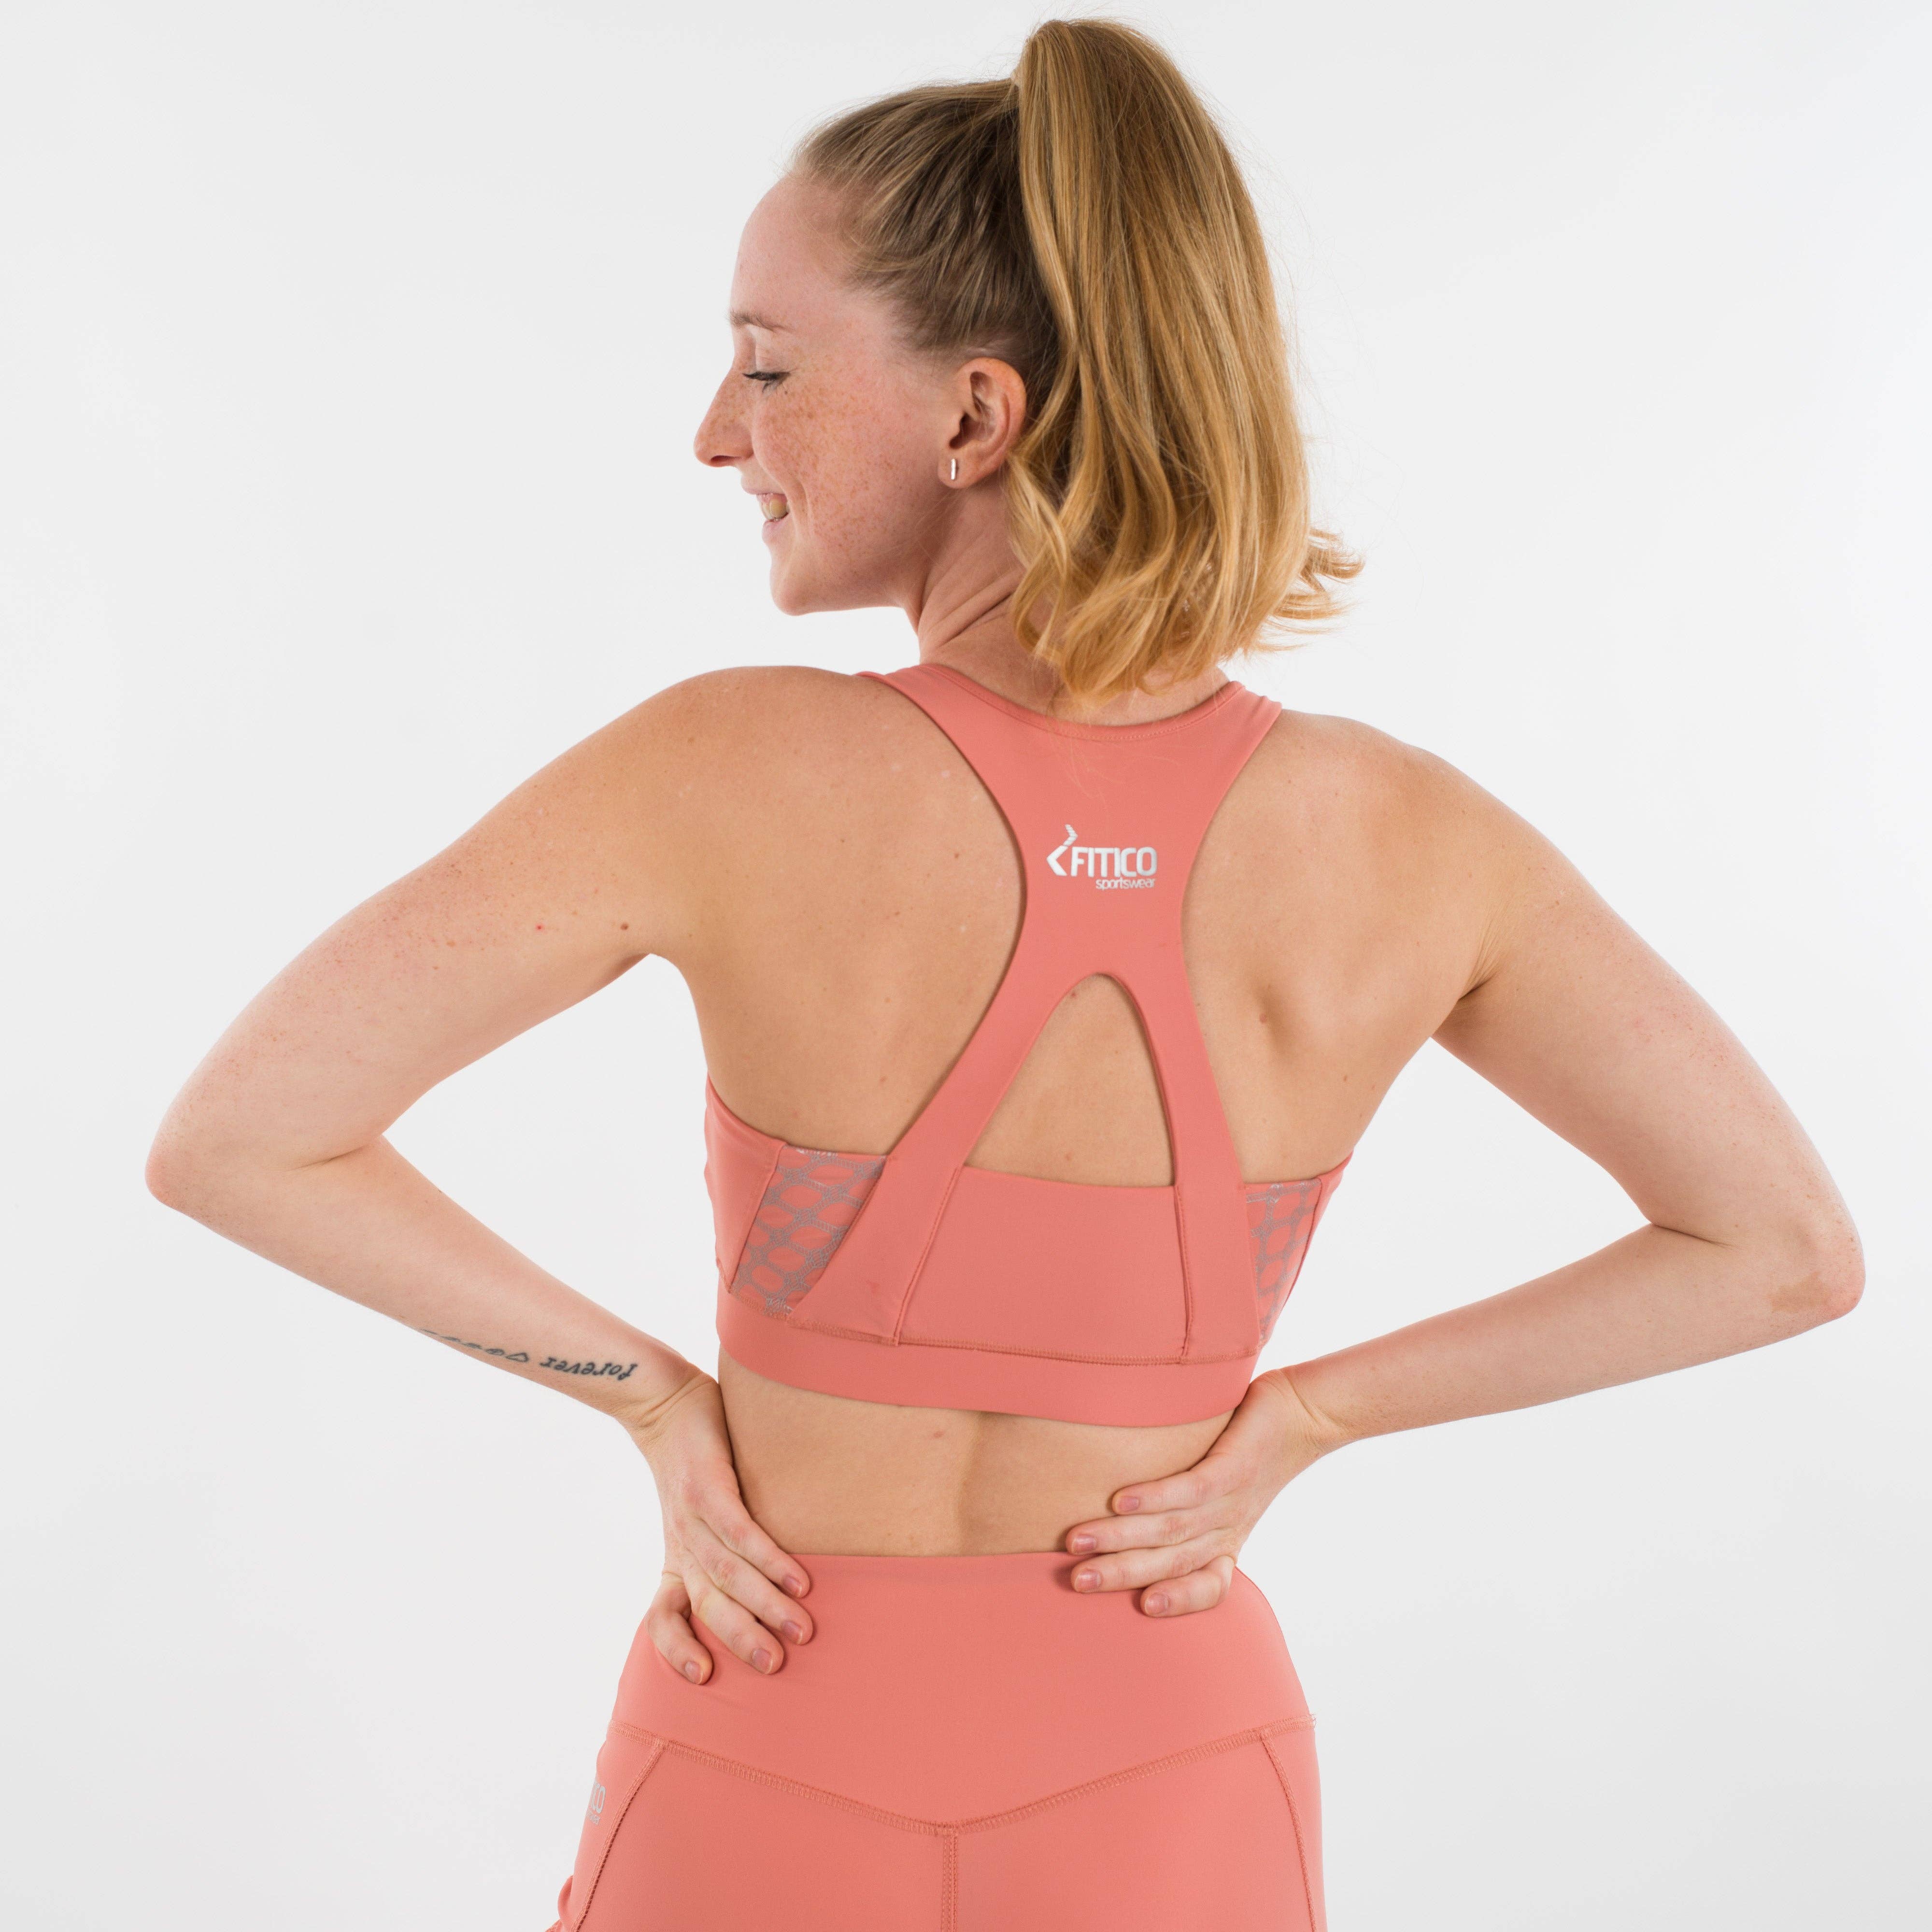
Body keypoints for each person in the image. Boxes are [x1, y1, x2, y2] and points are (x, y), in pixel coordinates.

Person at [145, 18, 1862, 1931]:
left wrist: (651, 1401)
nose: (716, 434)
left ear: (976, 419)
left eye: (767, 367)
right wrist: (1306, 1417)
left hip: (761, 1717)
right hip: (1166, 1756)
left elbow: (243, 1136)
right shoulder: (1414, 843)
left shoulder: (724, 769)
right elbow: (1781, 1249)